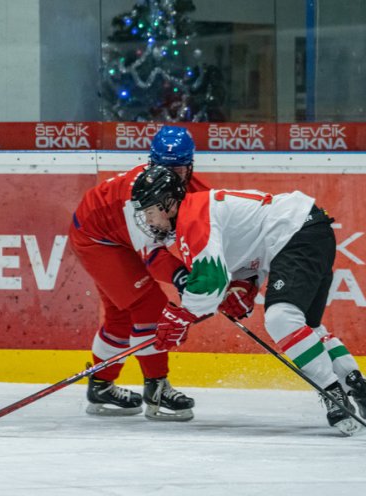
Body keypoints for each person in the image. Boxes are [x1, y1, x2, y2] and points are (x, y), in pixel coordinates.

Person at [137, 168, 366, 435]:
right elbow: (250, 245)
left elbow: (211, 282)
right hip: (309, 231)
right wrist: (245, 284)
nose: (147, 219)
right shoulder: (198, 212)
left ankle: (332, 392)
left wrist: (181, 315)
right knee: (309, 329)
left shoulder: (193, 218)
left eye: (149, 210)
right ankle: (355, 383)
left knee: (282, 317)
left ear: (168, 203)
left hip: (296, 233)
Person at [68, 126, 209, 421]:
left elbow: (213, 232)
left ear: (191, 164)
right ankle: (157, 387)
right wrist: (185, 278)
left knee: (121, 316)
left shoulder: (196, 189)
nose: (170, 175)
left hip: (115, 236)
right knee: (149, 308)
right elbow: (154, 258)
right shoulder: (139, 195)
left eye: (178, 168)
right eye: (163, 167)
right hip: (98, 239)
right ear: (151, 163)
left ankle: (101, 386)